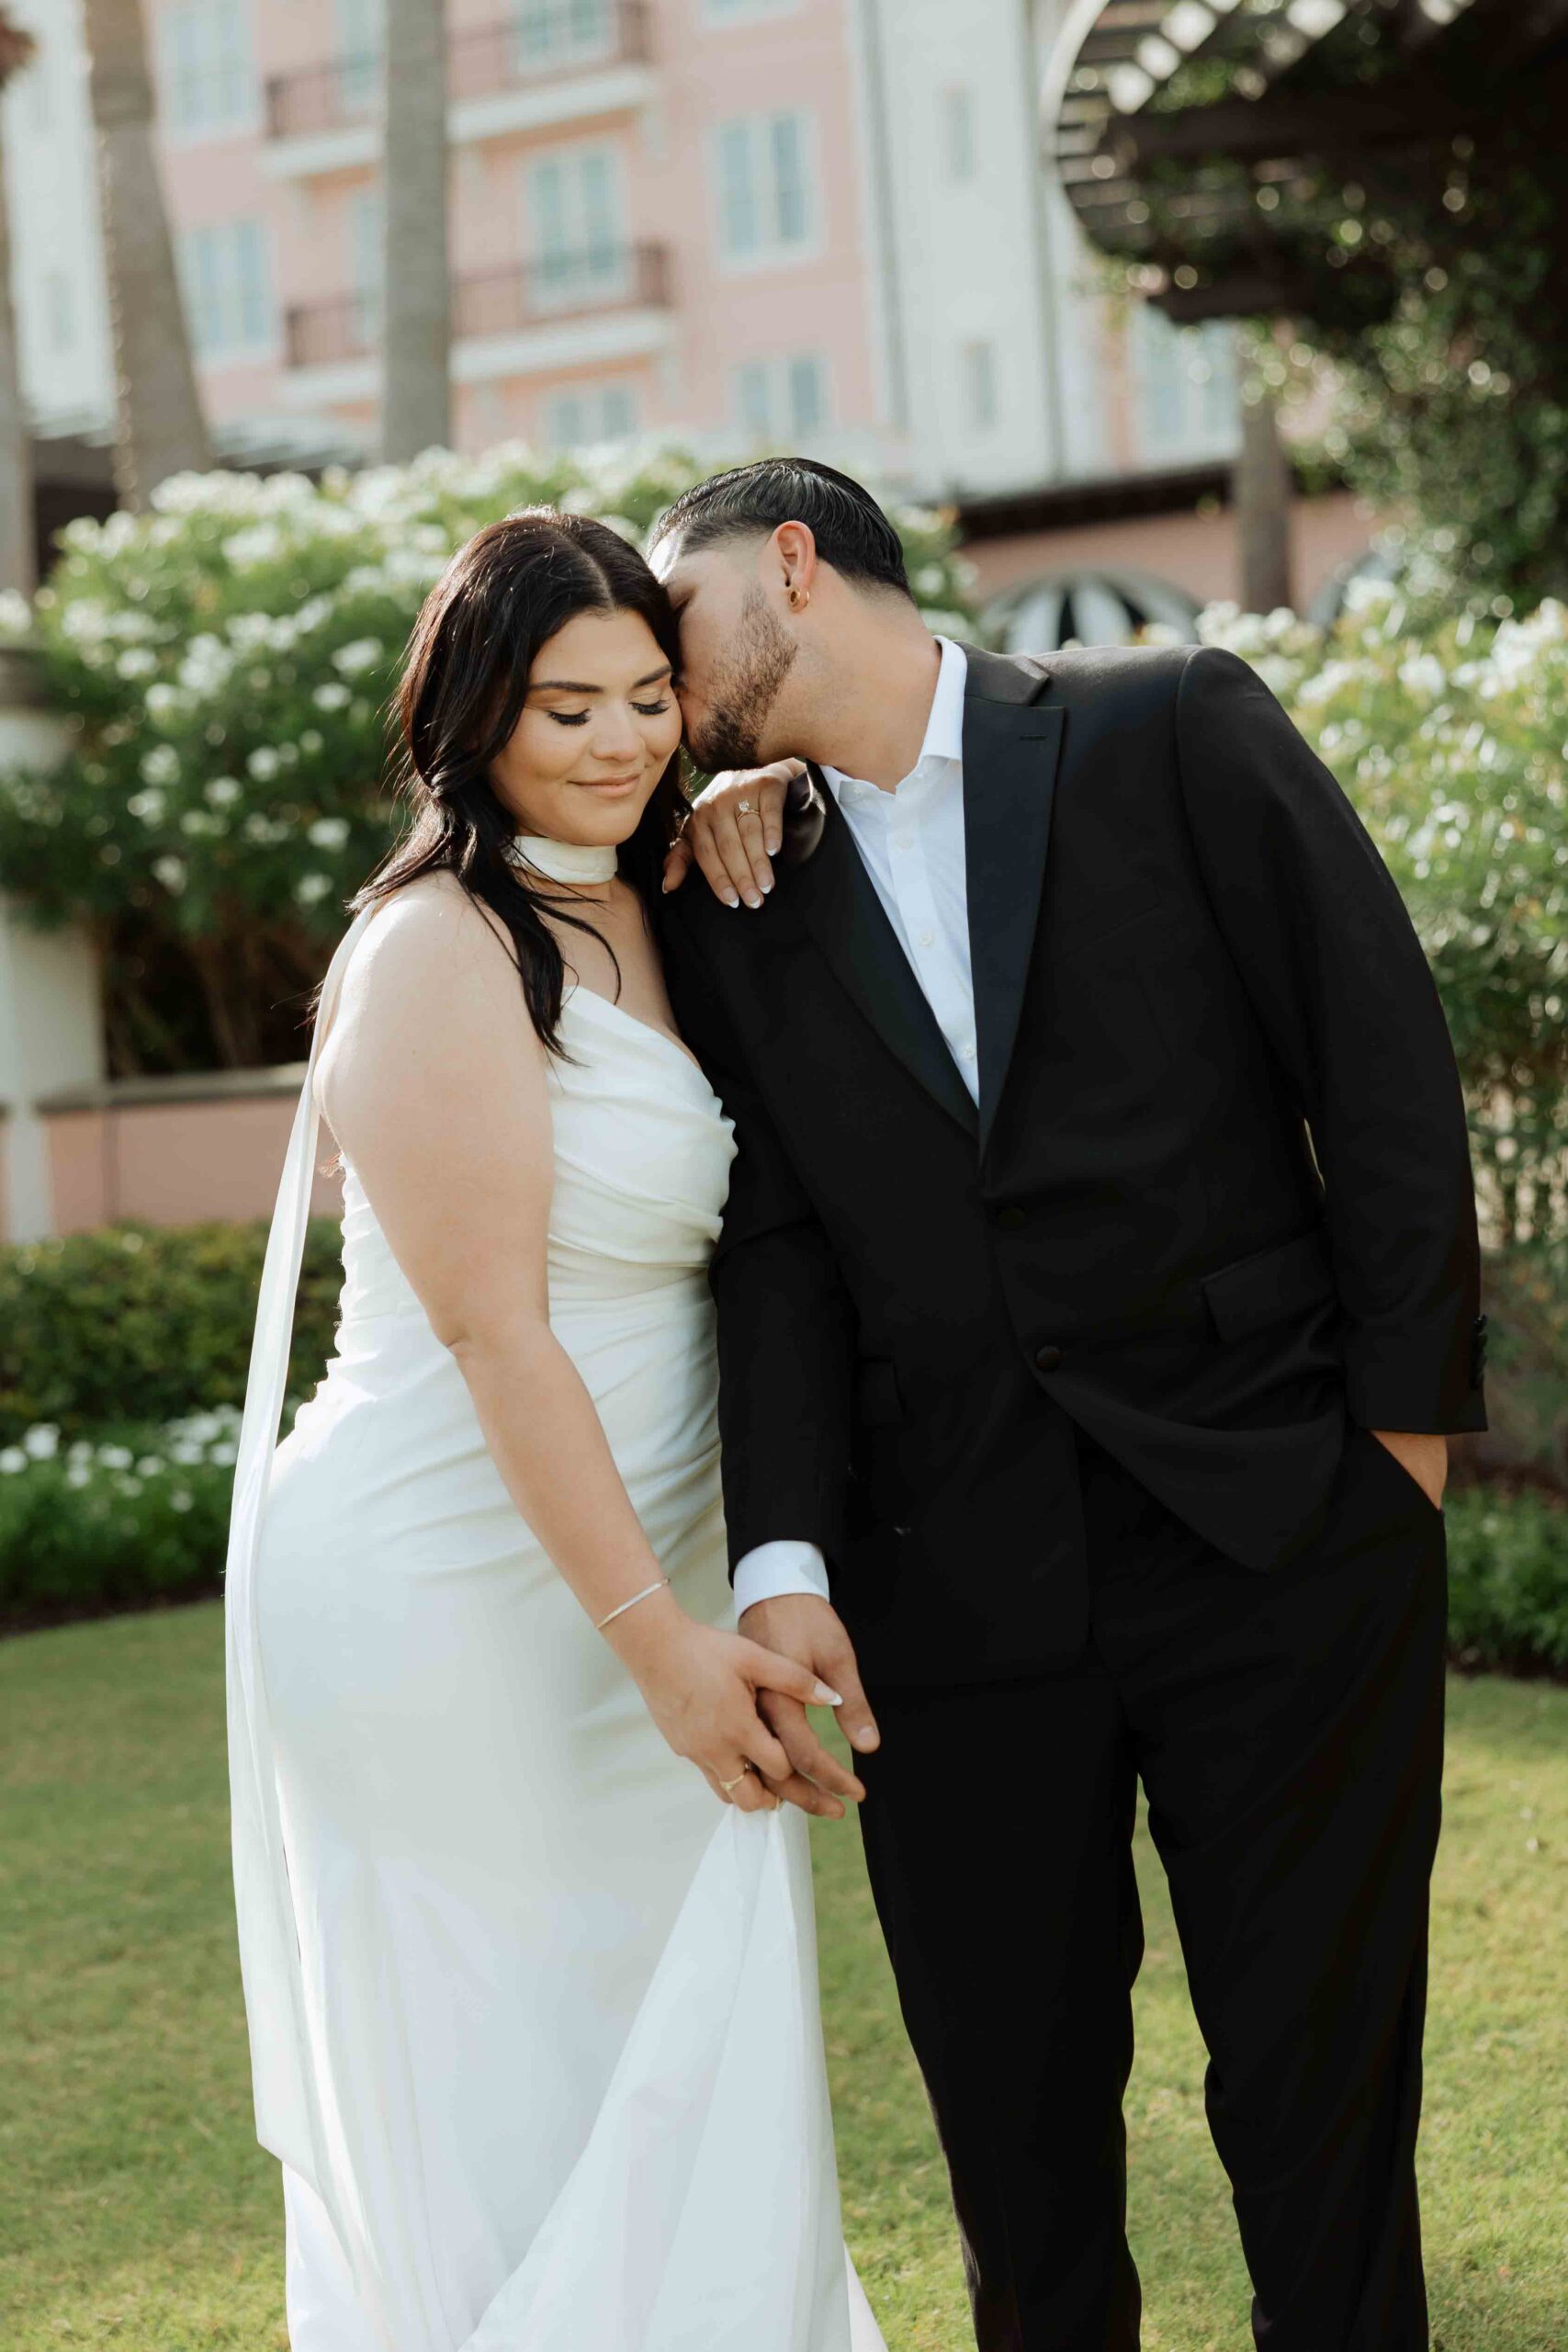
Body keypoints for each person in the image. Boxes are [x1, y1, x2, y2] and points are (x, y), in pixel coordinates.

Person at [653, 457, 1487, 2352]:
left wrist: (1400, 1452)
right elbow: (769, 1252)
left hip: (1281, 1544)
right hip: (945, 1604)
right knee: (1017, 2171)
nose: (657, 671)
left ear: (789, 563)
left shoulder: (1163, 725)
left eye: (672, 618)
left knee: (1319, 2115)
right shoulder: (729, 888)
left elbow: (1373, 1056)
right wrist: (786, 1552)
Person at [224, 510, 886, 2352]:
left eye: (649, 699)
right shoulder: (439, 947)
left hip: (642, 1578)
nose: (614, 741)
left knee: (680, 2064)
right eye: (563, 706)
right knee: (512, 2089)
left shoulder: (661, 891)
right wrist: (653, 1640)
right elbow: (494, 1331)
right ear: (470, 715)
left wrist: (742, 797)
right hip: (454, 1598)